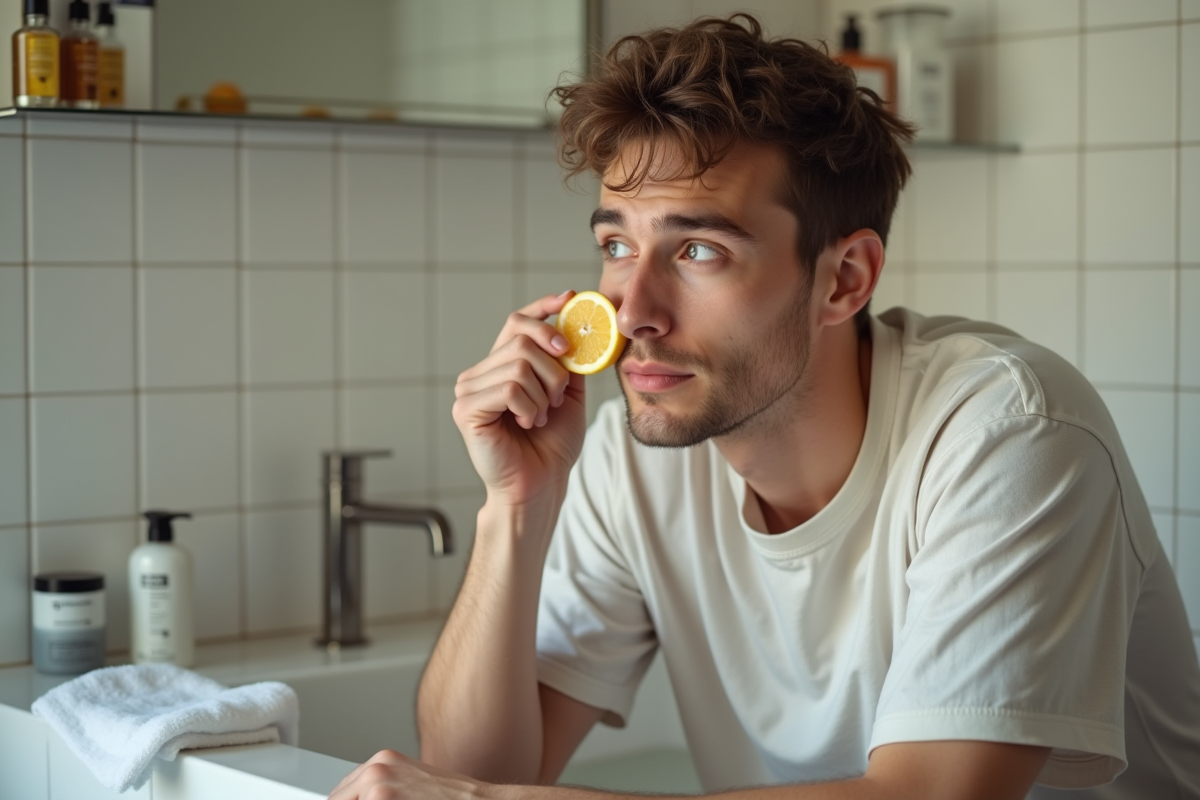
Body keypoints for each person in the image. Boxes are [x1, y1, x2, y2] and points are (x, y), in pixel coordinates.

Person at [329, 14, 1200, 800]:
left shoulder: (1010, 433)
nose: (632, 313)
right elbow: (469, 773)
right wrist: (514, 509)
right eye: (617, 244)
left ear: (844, 279)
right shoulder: (632, 456)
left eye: (698, 250)